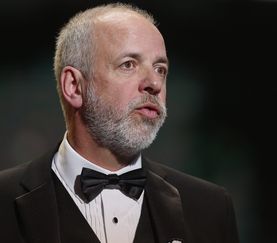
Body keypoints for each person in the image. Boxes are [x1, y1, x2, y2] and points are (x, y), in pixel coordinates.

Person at [0, 3, 239, 243]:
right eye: (128, 64)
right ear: (74, 86)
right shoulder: (4, 200)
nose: (154, 83)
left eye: (160, 69)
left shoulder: (210, 208)